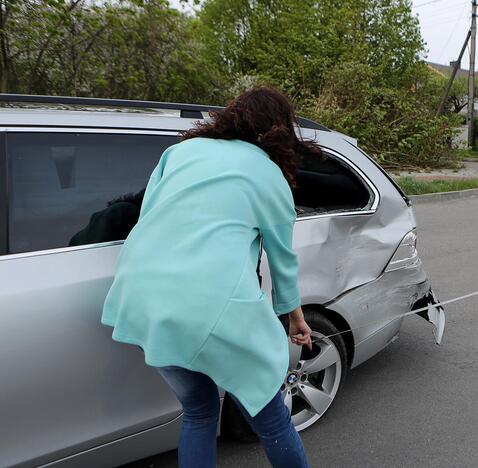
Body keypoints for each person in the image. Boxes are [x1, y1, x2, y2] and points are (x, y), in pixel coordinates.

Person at [101, 87, 321, 467]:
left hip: (139, 301)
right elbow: (282, 260)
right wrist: (295, 319)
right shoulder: (269, 175)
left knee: (200, 411)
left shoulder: (179, 153)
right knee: (271, 418)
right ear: (280, 130)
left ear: (231, 117)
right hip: (210, 309)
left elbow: (149, 215)